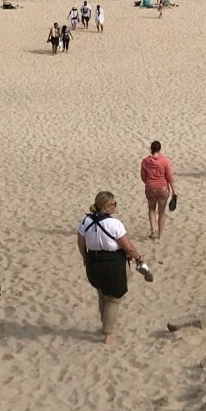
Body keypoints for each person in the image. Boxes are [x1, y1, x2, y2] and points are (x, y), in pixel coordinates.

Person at [77, 191, 151, 344]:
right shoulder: (114, 224)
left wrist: (85, 258)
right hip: (113, 262)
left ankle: (105, 324)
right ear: (105, 207)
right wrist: (139, 258)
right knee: (114, 298)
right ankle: (108, 333)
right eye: (114, 204)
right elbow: (128, 247)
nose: (115, 206)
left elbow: (81, 243)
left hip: (93, 261)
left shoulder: (85, 221)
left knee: (102, 293)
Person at [139, 141, 175, 240]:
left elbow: (143, 176)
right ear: (160, 149)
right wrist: (174, 191)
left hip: (150, 188)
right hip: (163, 188)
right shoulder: (165, 160)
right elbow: (170, 177)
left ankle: (152, 230)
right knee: (161, 212)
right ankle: (160, 235)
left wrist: (148, 183)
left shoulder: (145, 161)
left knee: (151, 209)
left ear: (151, 149)